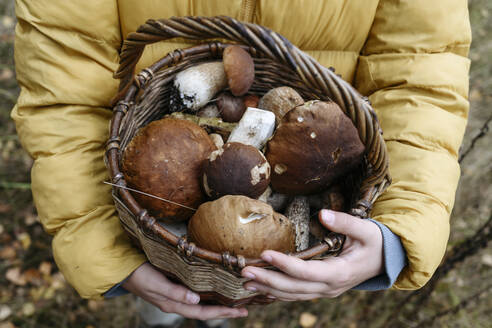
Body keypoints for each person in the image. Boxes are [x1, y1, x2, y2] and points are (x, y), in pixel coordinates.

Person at [12, 0, 471, 326]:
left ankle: (216, 315)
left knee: (238, 286)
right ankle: (161, 313)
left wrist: (395, 229)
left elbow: (422, 75)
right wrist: (102, 246)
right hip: (138, 225)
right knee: (168, 291)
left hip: (296, 214)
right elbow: (61, 88)